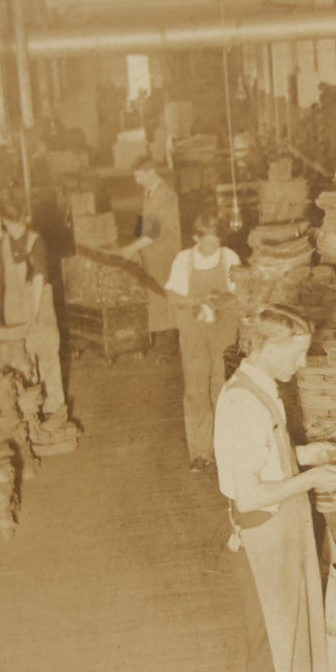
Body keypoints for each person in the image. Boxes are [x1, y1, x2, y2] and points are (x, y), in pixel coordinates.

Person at [213, 306, 336, 672]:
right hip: (263, 539)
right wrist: (311, 479)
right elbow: (247, 492)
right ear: (264, 348)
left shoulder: (260, 389)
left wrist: (307, 455)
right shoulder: (241, 404)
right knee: (273, 663)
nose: (303, 363)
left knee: (290, 651)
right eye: (294, 353)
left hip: (281, 531)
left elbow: (264, 457)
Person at [165, 214, 242, 472]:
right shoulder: (184, 260)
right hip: (194, 329)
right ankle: (201, 451)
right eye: (208, 244)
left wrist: (221, 299)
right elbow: (173, 296)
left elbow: (240, 294)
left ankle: (226, 448)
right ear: (196, 238)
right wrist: (198, 299)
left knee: (223, 385)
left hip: (223, 327)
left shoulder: (229, 257)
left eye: (216, 243)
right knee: (196, 388)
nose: (213, 250)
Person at [0, 213, 66, 417]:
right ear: (3, 221)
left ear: (27, 219)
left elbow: (39, 277)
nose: (14, 227)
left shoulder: (36, 242)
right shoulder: (0, 247)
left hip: (40, 305)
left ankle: (55, 408)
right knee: (23, 357)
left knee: (46, 353)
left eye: (18, 221)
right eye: (9, 222)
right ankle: (32, 409)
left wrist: (35, 312)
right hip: (15, 307)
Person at [118, 156, 183, 353]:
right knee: (155, 296)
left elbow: (155, 233)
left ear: (151, 172)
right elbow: (146, 224)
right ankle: (164, 341)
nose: (137, 180)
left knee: (164, 294)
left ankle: (170, 345)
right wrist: (136, 244)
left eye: (139, 176)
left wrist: (131, 249)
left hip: (164, 252)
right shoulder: (149, 191)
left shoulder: (165, 195)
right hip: (151, 251)